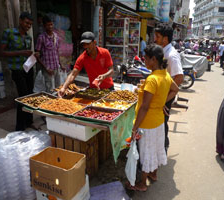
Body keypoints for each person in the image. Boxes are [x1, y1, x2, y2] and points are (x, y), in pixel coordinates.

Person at [126, 44, 179, 191]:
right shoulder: (165, 75)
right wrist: (162, 102)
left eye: (146, 59)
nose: (144, 62)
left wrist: (135, 127)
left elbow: (144, 106)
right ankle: (153, 174)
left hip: (147, 123)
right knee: (155, 148)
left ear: (154, 59)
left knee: (146, 153)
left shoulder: (152, 79)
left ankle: (142, 184)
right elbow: (175, 89)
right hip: (159, 121)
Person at [0, 12, 38, 131]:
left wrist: (33, 54)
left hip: (28, 68)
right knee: (22, 97)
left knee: (30, 95)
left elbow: (27, 53)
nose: (28, 26)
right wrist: (21, 52)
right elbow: (2, 52)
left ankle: (29, 121)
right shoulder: (9, 33)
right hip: (17, 70)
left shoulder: (28, 37)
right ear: (20, 21)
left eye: (30, 24)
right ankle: (20, 127)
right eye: (27, 23)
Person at [154, 24, 184, 152]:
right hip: (161, 96)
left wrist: (165, 99)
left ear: (165, 39)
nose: (155, 39)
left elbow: (179, 78)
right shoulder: (163, 52)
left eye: (157, 36)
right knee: (159, 123)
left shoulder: (171, 55)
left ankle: (163, 150)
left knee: (162, 124)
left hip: (165, 97)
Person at [58, 31, 114, 97]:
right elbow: (73, 74)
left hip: (108, 88)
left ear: (94, 43)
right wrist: (64, 87)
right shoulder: (82, 58)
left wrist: (104, 76)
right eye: (84, 44)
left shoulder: (105, 52)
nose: (86, 46)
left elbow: (111, 70)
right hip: (94, 90)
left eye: (88, 44)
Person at [35, 15, 65, 93]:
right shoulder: (41, 38)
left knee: (59, 87)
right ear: (44, 26)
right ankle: (50, 104)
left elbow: (57, 52)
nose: (50, 26)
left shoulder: (56, 36)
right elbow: (37, 55)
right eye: (48, 25)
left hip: (56, 66)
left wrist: (61, 65)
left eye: (51, 24)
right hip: (48, 68)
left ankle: (58, 103)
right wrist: (46, 68)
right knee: (50, 89)